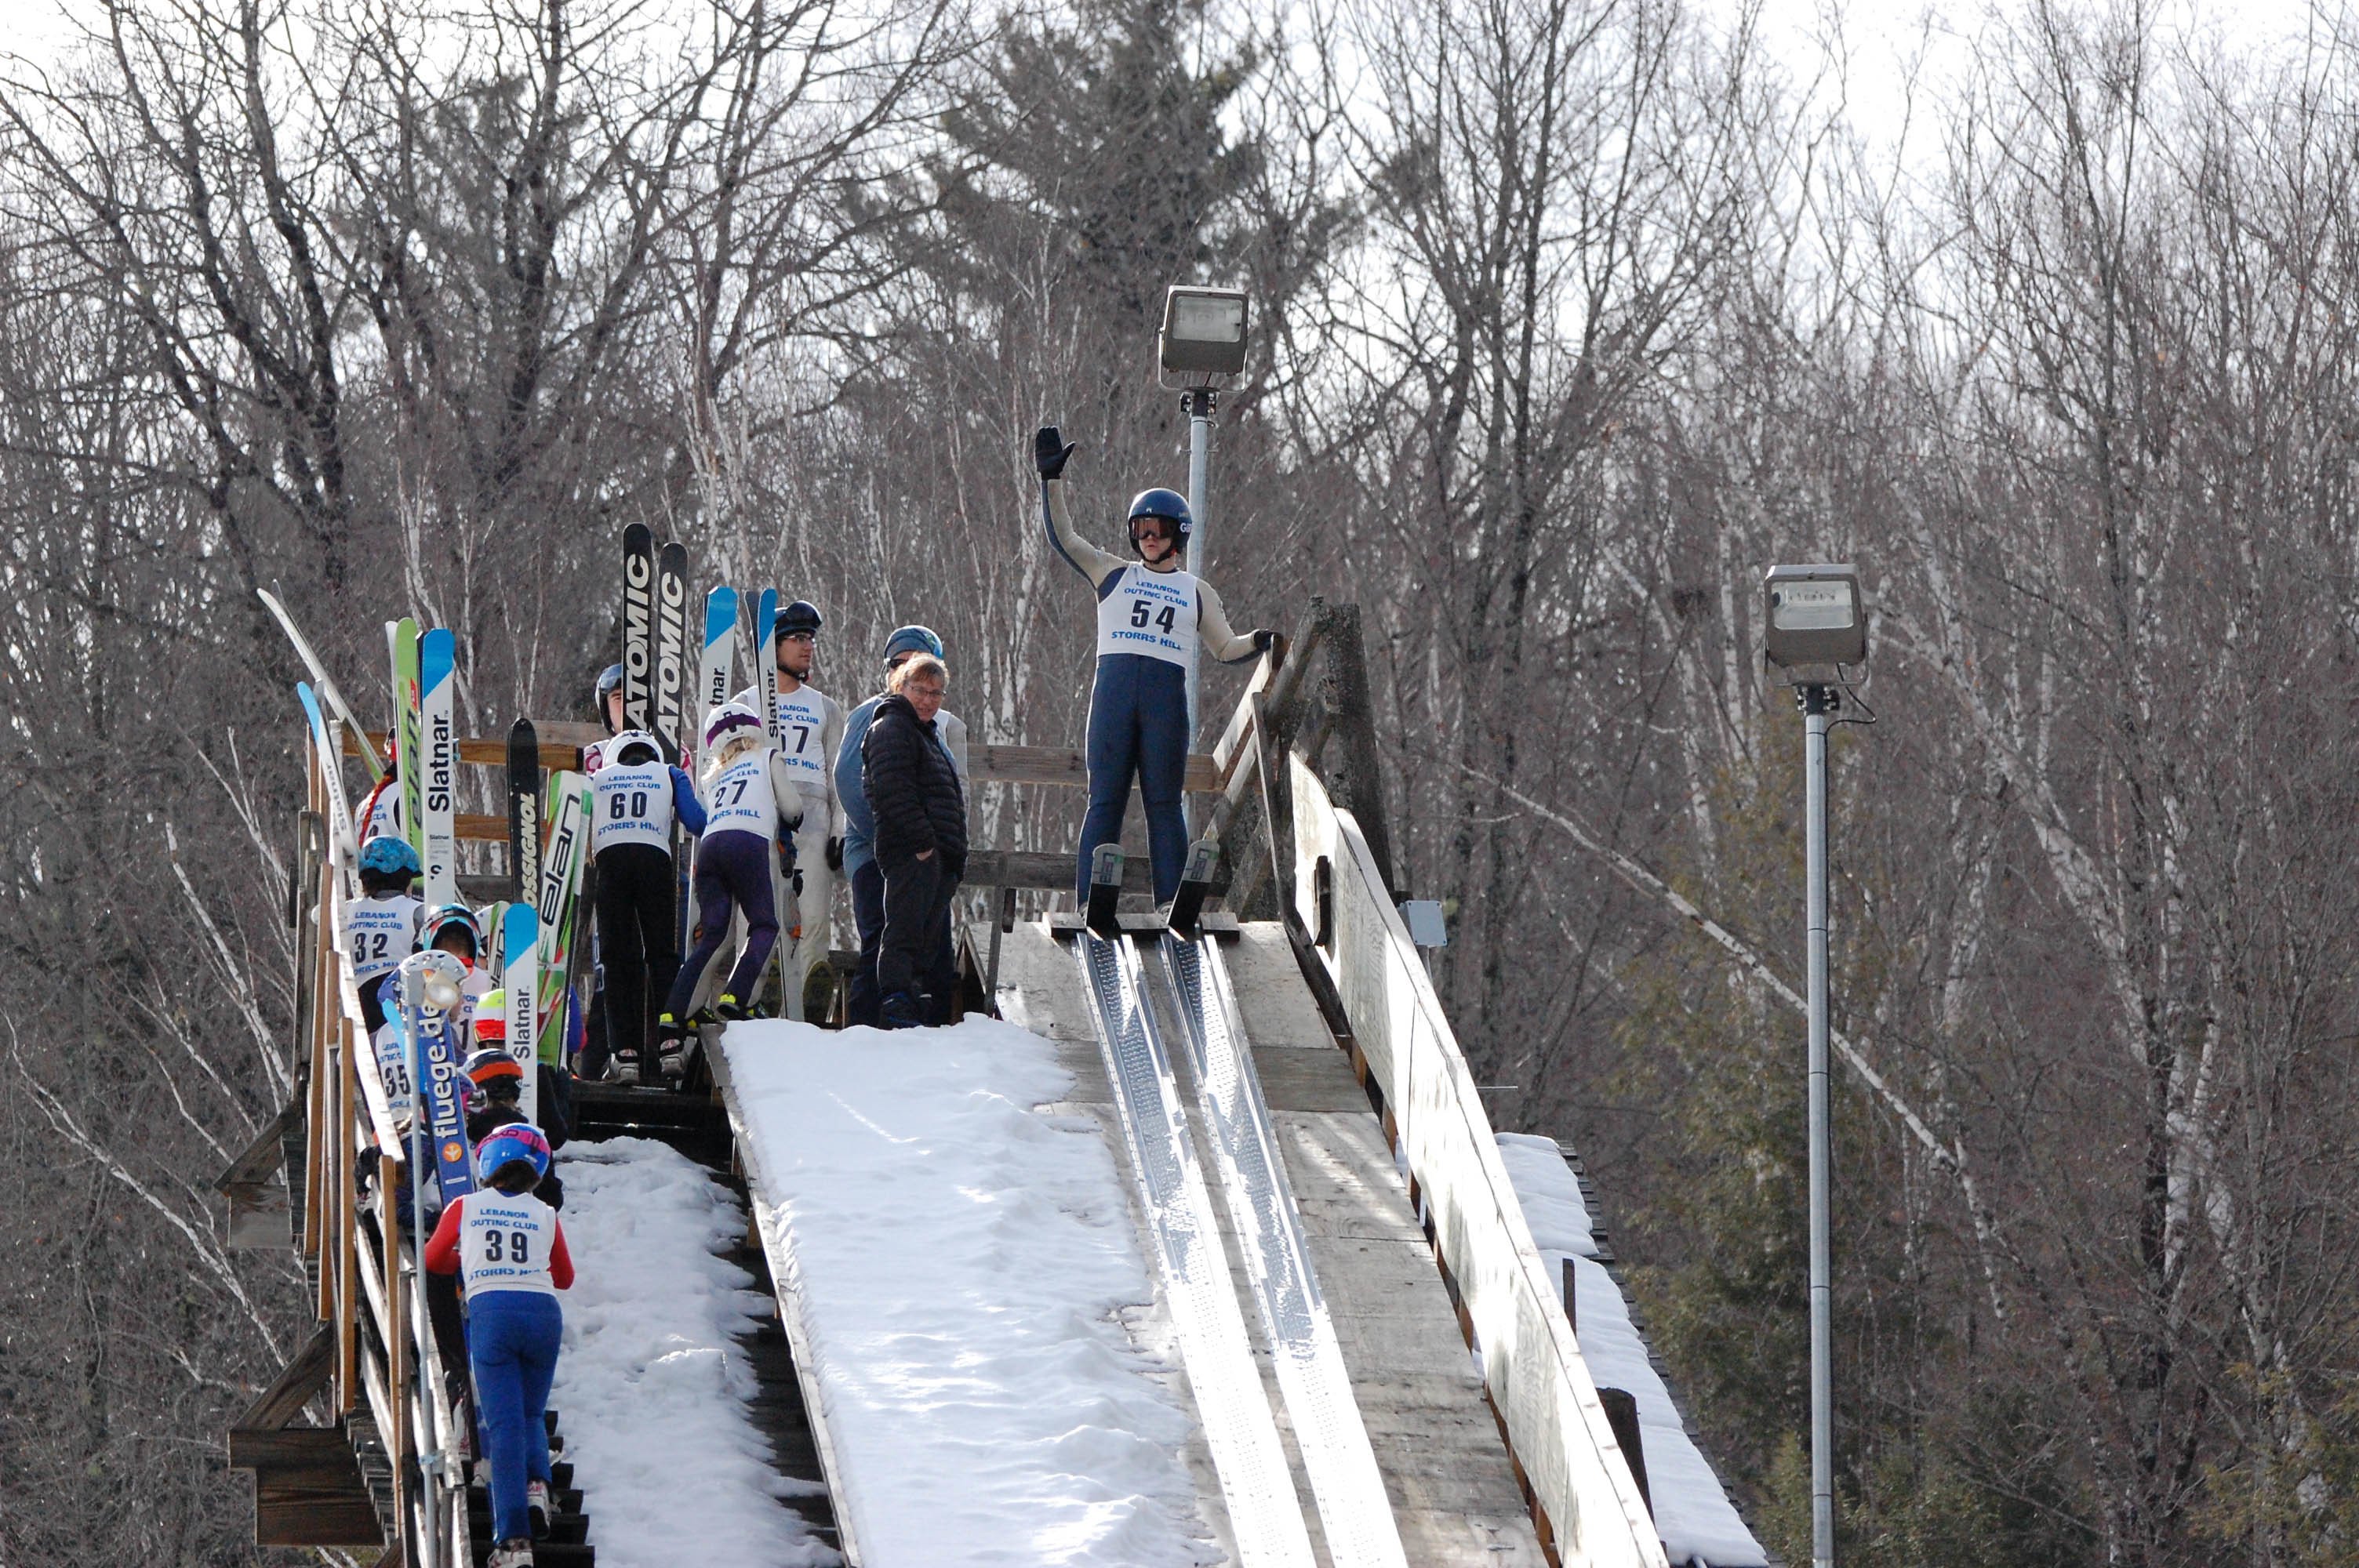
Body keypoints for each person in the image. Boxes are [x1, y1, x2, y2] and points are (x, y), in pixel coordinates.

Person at [1032, 426, 1273, 905]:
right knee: (1104, 802)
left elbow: (1224, 648)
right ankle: (1089, 901)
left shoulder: (1196, 590)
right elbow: (1066, 538)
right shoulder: (1112, 572)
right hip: (1114, 702)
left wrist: (1260, 641)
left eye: (1157, 530)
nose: (1147, 538)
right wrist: (1051, 481)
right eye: (1140, 530)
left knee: (1165, 805)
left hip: (1165, 705)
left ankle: (1171, 902)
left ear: (1177, 536)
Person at [425, 1125, 572, 1568]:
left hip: (492, 1313)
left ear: (487, 1163)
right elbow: (564, 1277)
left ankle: (513, 1541)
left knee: (504, 1425)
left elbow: (434, 1259)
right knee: (530, 1414)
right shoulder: (546, 1213)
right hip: (543, 1314)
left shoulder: (465, 1206)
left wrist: (467, 1260)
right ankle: (537, 1489)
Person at [836, 626, 969, 1026]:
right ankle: (865, 1031)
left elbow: (949, 789)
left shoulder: (931, 727)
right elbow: (851, 780)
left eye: (922, 667)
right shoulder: (878, 716)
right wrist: (903, 840)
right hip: (886, 852)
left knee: (930, 949)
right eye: (901, 665)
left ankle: (928, 1030)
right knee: (883, 939)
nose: (923, 691)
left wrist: (945, 848)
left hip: (925, 856)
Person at [659, 702, 802, 1044]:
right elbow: (793, 810)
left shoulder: (712, 777)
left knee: (714, 935)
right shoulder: (768, 758)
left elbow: (705, 817)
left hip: (711, 846)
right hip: (750, 843)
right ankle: (739, 996)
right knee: (764, 924)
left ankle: (676, 1010)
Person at [731, 600, 845, 1019]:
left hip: (813, 818)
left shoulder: (825, 707)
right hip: (758, 816)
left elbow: (839, 775)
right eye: (797, 639)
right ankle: (754, 996)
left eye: (810, 639)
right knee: (756, 913)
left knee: (813, 912)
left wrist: (840, 828)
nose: (807, 647)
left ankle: (809, 998)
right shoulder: (745, 703)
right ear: (772, 646)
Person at [588, 731, 707, 1084]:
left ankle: (624, 1053)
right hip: (655, 860)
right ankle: (672, 1044)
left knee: (616, 958)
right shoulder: (669, 772)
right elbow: (697, 821)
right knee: (662, 955)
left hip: (610, 862)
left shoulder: (597, 778)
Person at [463, 1036, 567, 1209]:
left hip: (471, 1224)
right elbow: (551, 1198)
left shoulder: (461, 1132)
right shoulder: (532, 1138)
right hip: (523, 1226)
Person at [348, 837, 423, 1037]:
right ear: (407, 880)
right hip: (398, 1010)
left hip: (357, 1010)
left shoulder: (346, 912)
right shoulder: (418, 913)